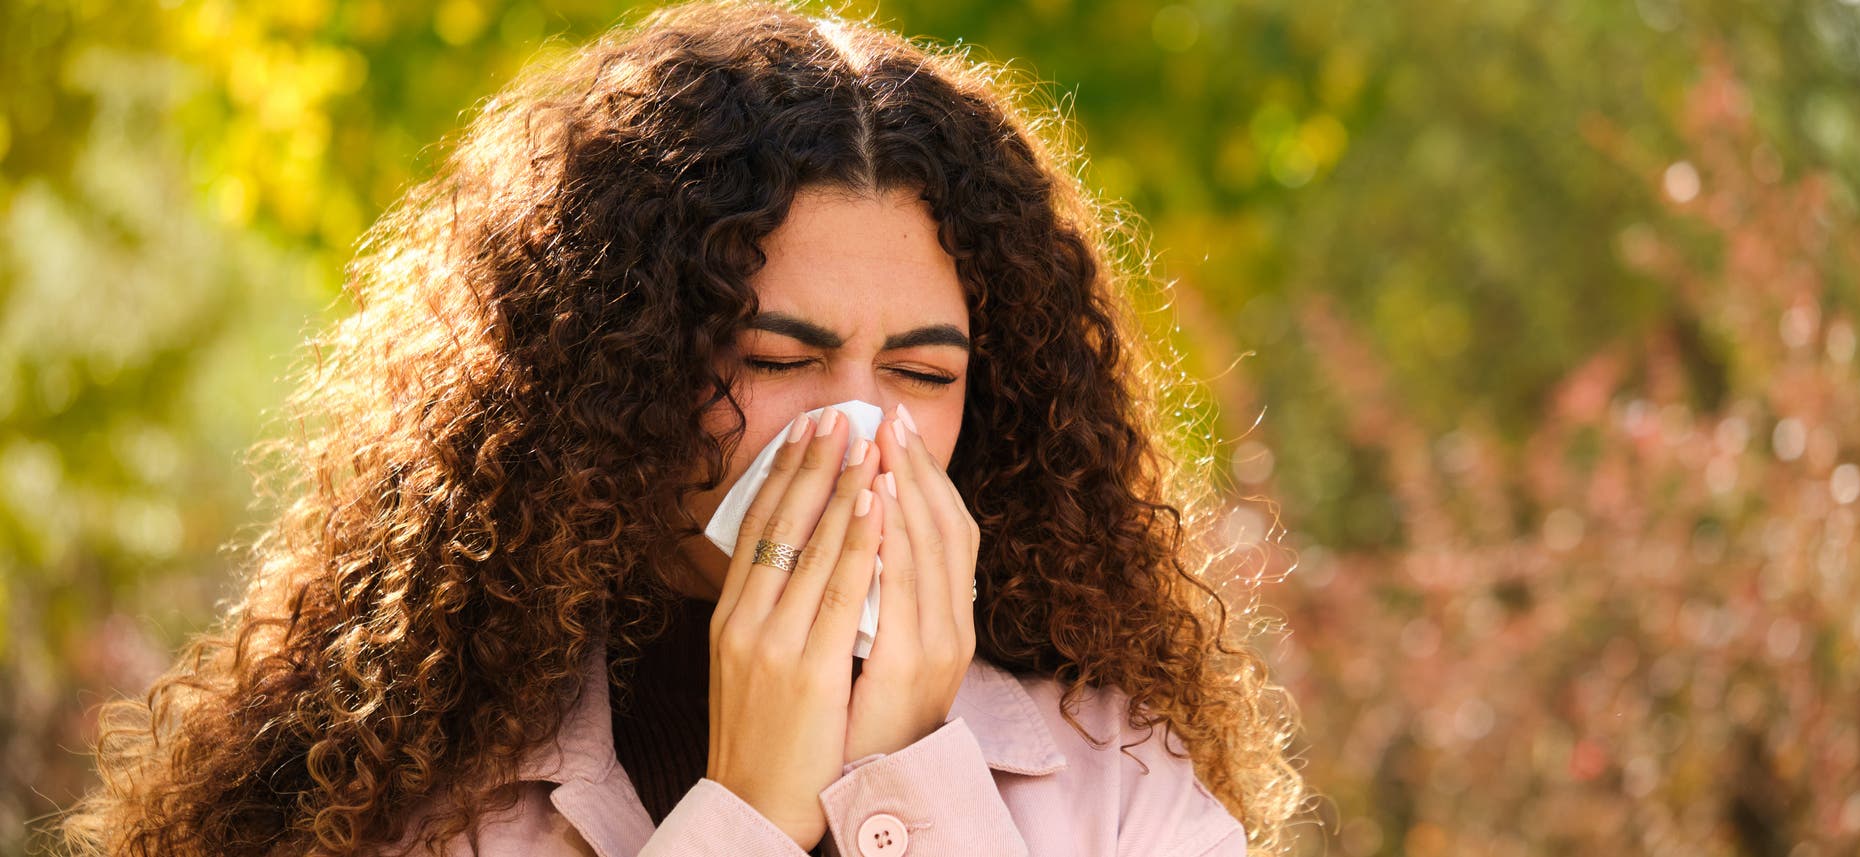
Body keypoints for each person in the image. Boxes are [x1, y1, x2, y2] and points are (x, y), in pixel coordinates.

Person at [57, 1, 1306, 855]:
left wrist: (909, 782)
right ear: (617, 371)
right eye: (778, 358)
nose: (856, 427)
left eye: (921, 372)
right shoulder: (386, 797)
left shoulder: (1115, 786)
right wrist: (748, 808)